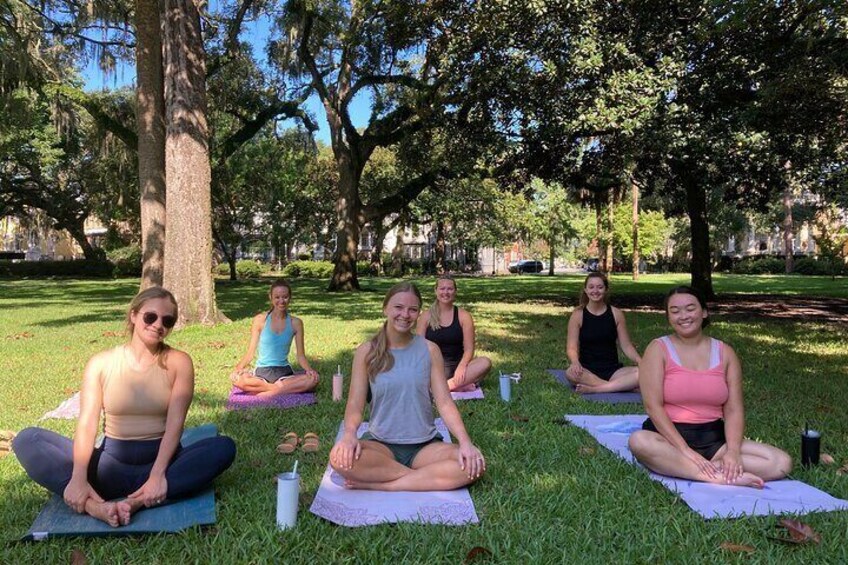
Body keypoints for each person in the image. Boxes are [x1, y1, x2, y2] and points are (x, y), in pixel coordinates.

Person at [13, 287, 236, 527]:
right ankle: (94, 506)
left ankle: (136, 502)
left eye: (167, 320)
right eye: (150, 317)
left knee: (223, 447)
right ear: (133, 315)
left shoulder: (179, 362)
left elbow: (175, 424)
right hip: (108, 470)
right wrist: (78, 478)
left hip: (161, 464)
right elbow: (88, 424)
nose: (158, 325)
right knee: (27, 439)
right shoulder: (101, 363)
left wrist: (157, 475)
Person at [628, 286, 792, 488]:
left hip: (714, 440)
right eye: (675, 311)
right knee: (638, 441)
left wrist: (732, 452)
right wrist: (685, 450)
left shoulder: (725, 352)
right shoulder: (658, 349)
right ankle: (714, 476)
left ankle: (700, 466)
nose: (683, 316)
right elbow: (653, 406)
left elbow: (733, 409)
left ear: (704, 312)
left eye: (690, 308)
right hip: (668, 439)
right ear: (668, 316)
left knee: (780, 463)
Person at [330, 282, 486, 491]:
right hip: (380, 445)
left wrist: (465, 442)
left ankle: (386, 485)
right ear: (385, 308)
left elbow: (445, 402)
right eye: (398, 307)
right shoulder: (366, 352)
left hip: (425, 447)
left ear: (419, 313)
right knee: (338, 459)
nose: (405, 314)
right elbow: (355, 404)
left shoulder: (430, 350)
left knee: (473, 465)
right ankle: (422, 479)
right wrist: (349, 434)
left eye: (413, 309)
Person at [230, 279, 319, 396]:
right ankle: (277, 390)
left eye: (285, 297)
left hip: (284, 372)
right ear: (270, 297)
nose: (281, 301)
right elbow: (250, 353)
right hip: (262, 372)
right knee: (238, 380)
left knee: (312, 380)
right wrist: (237, 369)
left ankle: (267, 392)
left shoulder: (296, 323)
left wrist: (310, 371)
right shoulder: (260, 320)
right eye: (277, 297)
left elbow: (301, 356)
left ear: (290, 298)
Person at [565, 273, 641, 393]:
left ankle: (598, 389)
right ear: (585, 290)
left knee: (643, 372)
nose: (595, 291)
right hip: (587, 370)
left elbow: (626, 345)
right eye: (591, 287)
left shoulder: (616, 314)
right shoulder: (578, 315)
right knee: (570, 373)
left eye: (600, 287)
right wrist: (575, 362)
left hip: (613, 371)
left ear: (606, 289)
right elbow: (571, 347)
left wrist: (640, 361)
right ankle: (620, 387)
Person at [416, 276, 491, 392]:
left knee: (485, 362)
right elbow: (418, 347)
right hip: (433, 369)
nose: (446, 292)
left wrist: (461, 367)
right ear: (436, 291)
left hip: (458, 370)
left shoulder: (464, 316)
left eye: (450, 289)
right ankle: (455, 387)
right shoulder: (426, 316)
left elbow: (469, 349)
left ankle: (439, 390)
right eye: (442, 288)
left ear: (455, 291)